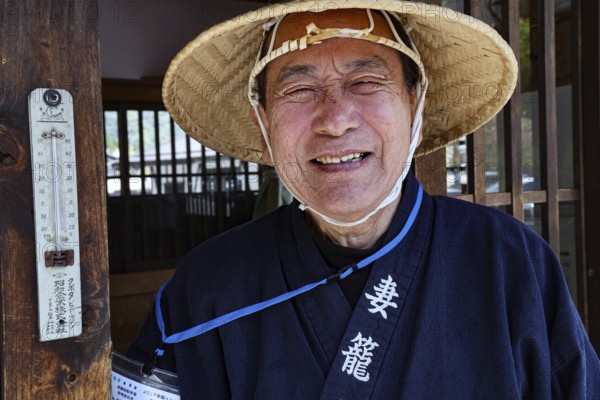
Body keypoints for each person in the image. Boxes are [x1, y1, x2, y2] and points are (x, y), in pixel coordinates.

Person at [128, 1, 600, 398]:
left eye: (366, 82)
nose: (334, 120)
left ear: (415, 104)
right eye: (299, 89)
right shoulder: (207, 284)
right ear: (262, 122)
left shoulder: (508, 259)